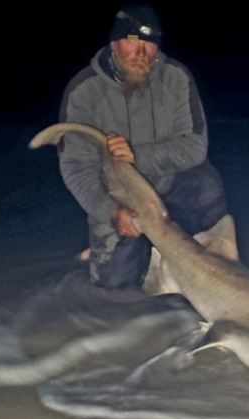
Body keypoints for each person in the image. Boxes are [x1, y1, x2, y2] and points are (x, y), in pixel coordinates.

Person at [58, 3, 227, 289]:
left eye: (150, 44)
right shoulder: (83, 91)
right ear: (114, 44)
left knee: (205, 184)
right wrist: (109, 210)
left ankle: (216, 258)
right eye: (133, 41)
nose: (142, 53)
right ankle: (136, 251)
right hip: (121, 198)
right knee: (115, 288)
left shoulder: (177, 78)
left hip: (172, 184)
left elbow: (195, 147)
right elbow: (76, 167)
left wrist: (137, 156)